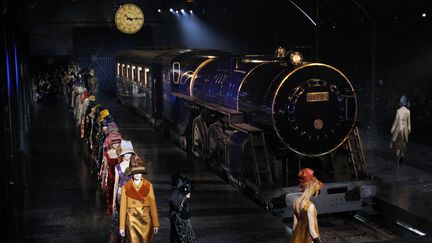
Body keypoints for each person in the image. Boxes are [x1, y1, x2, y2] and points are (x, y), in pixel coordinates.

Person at [119, 156, 159, 242]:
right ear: (132, 173)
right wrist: (122, 226)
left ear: (142, 172)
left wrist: (155, 224)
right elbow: (123, 208)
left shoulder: (148, 186)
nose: (137, 174)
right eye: (135, 172)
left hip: (146, 221)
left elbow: (153, 206)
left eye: (139, 172)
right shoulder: (125, 187)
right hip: (132, 221)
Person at [290, 168, 324, 243]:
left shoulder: (296, 202)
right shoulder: (310, 206)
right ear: (312, 189)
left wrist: (295, 237)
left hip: (297, 237)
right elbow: (312, 231)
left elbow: (295, 224)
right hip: (308, 239)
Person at [169, 173, 196, 243]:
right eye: (188, 191)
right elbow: (183, 234)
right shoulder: (178, 211)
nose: (189, 193)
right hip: (179, 218)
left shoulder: (181, 202)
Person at [390, 95, 411, 164]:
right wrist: (408, 128)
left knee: (398, 142)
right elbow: (408, 122)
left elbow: (396, 121)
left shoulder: (398, 111)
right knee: (402, 143)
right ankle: (401, 155)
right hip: (404, 129)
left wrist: (392, 129)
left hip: (399, 129)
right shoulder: (407, 111)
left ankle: (400, 155)